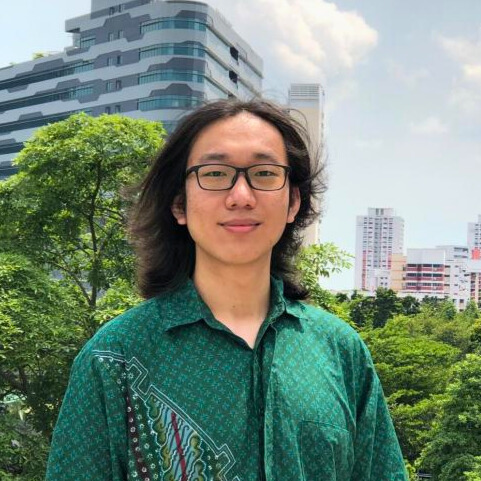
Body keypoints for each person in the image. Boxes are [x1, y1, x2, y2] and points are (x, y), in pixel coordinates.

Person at [46, 99, 408, 481]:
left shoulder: (339, 350)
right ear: (179, 204)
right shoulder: (115, 357)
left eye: (265, 173)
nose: (241, 195)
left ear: (293, 202)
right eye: (216, 174)